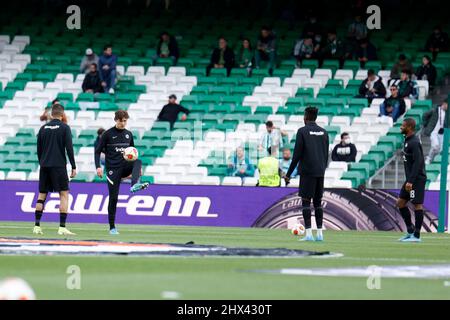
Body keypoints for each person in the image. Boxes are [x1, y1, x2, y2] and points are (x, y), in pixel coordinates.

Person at [94, 110, 149, 235]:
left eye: (125, 121)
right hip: (112, 170)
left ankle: (134, 184)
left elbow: (133, 152)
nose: (123, 123)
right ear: (116, 120)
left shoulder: (129, 134)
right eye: (121, 121)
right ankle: (112, 227)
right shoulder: (107, 134)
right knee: (113, 198)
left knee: (138, 161)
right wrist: (98, 166)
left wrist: (136, 169)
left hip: (124, 167)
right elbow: (97, 151)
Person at [285, 107, 329, 242]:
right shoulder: (324, 132)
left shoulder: (302, 131)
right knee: (317, 203)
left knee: (305, 202)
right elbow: (326, 154)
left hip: (307, 172)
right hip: (320, 172)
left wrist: (288, 174)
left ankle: (309, 234)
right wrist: (321, 168)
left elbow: (297, 155)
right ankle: (320, 234)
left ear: (305, 117)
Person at [33, 104, 77, 236]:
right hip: (58, 166)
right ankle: (62, 227)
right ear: (62, 115)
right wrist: (73, 166)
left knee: (42, 195)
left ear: (51, 115)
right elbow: (69, 148)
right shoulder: (64, 128)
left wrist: (43, 162)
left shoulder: (43, 128)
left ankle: (36, 226)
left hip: (45, 165)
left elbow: (39, 150)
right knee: (63, 194)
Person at [397, 118, 427, 242]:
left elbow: (418, 162)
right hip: (410, 178)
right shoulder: (407, 141)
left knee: (417, 205)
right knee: (400, 203)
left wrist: (411, 181)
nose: (400, 127)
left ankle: (417, 235)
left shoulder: (414, 142)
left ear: (409, 127)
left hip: (416, 179)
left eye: (403, 126)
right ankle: (410, 231)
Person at [422, 100, 448, 164]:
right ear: (444, 104)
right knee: (435, 145)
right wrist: (426, 124)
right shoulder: (435, 110)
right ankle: (429, 158)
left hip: (442, 132)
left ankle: (434, 160)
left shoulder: (447, 113)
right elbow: (424, 115)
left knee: (440, 149)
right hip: (434, 131)